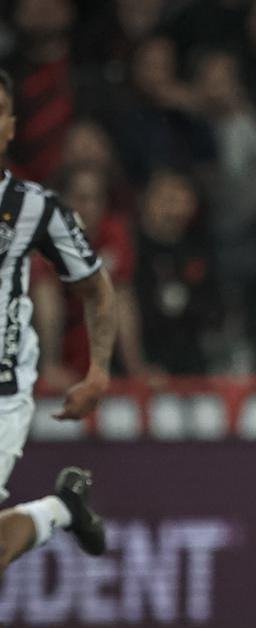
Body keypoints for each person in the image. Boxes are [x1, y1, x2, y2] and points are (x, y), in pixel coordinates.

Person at [0, 69, 114, 582]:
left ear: (10, 127)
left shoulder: (35, 208)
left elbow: (95, 286)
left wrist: (98, 371)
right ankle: (62, 509)